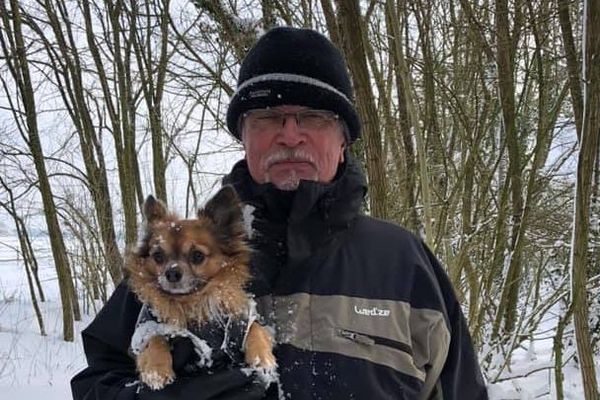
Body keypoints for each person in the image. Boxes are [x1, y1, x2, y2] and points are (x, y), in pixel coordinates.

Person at [71, 26, 488, 400]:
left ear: (344, 140)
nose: (290, 135)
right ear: (244, 137)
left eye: (312, 116)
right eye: (269, 117)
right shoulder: (170, 259)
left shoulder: (403, 263)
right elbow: (95, 383)